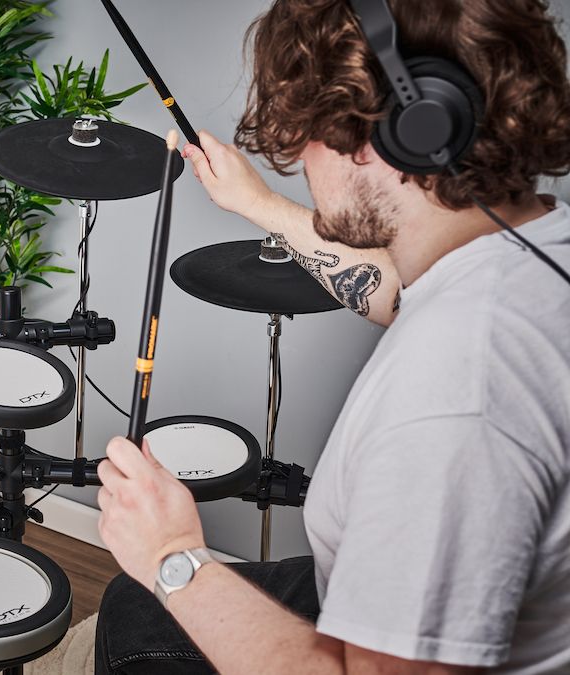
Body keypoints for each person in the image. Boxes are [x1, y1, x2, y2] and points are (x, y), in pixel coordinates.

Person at [93, 0, 570, 673]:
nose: (301, 163)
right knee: (129, 606)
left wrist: (173, 555)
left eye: (308, 132)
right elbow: (394, 293)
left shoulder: (454, 392)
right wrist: (257, 204)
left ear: (405, 126)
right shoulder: (534, 247)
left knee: (144, 610)